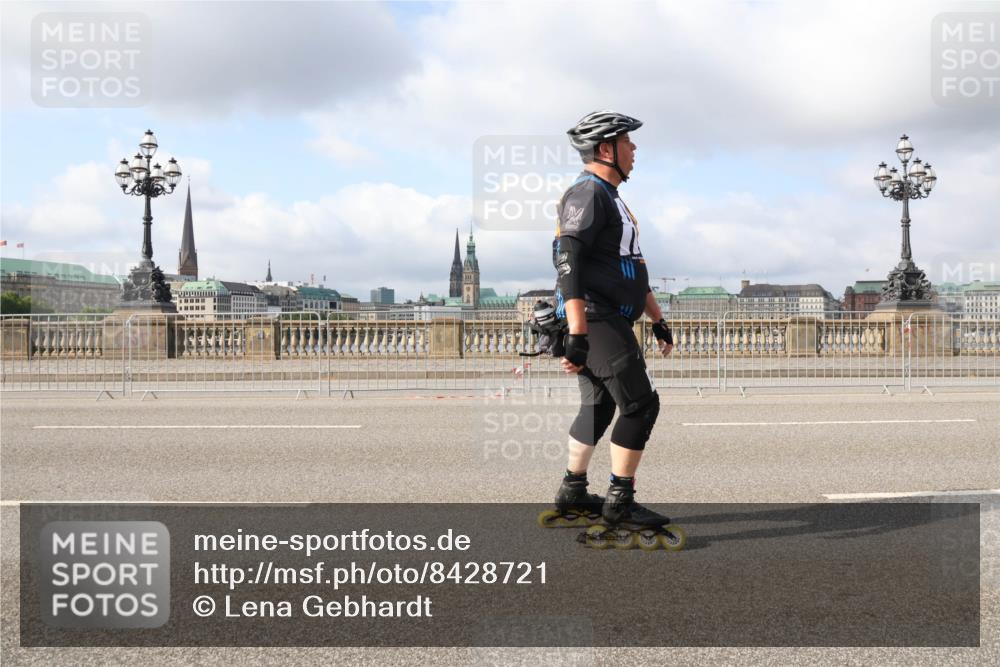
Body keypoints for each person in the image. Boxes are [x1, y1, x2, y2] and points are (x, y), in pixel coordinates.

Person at [544, 110, 678, 547]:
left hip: (611, 317)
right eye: (628, 142)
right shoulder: (588, 193)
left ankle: (573, 491)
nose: (635, 149)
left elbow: (633, 268)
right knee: (641, 404)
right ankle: (620, 501)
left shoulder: (611, 197)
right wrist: (578, 333)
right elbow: (568, 259)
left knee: (600, 406)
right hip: (598, 319)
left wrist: (657, 319)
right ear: (606, 149)